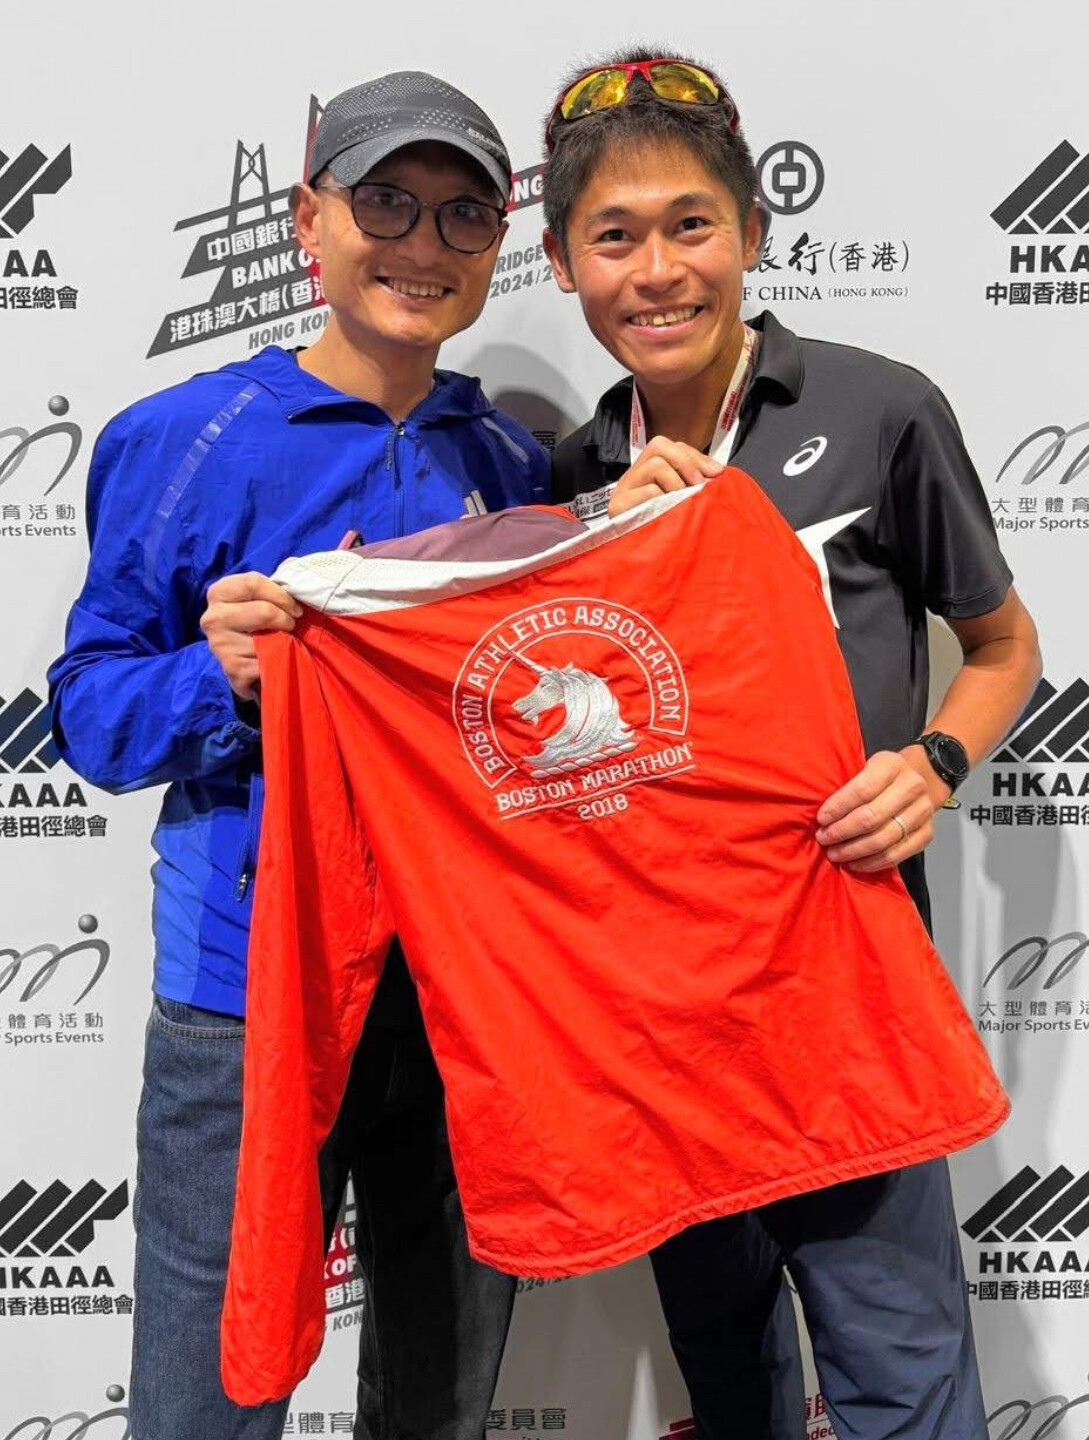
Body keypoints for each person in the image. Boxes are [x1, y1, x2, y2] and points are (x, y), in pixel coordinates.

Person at [542, 49, 1042, 1440]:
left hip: (849, 1001)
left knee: (903, 1384)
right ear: (563, 263)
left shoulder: (878, 407)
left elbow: (1004, 647)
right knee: (727, 1379)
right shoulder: (575, 471)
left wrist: (931, 766)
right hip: (664, 1023)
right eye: (614, 237)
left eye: (691, 224)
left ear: (753, 234)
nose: (658, 271)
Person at [48, 71, 548, 1440]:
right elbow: (87, 715)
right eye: (386, 202)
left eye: (463, 215)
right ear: (306, 221)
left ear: (496, 250)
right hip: (246, 1000)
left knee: (440, 1405)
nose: (424, 244)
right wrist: (214, 674)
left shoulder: (518, 465)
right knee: (206, 1404)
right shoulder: (181, 438)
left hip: (462, 1001)